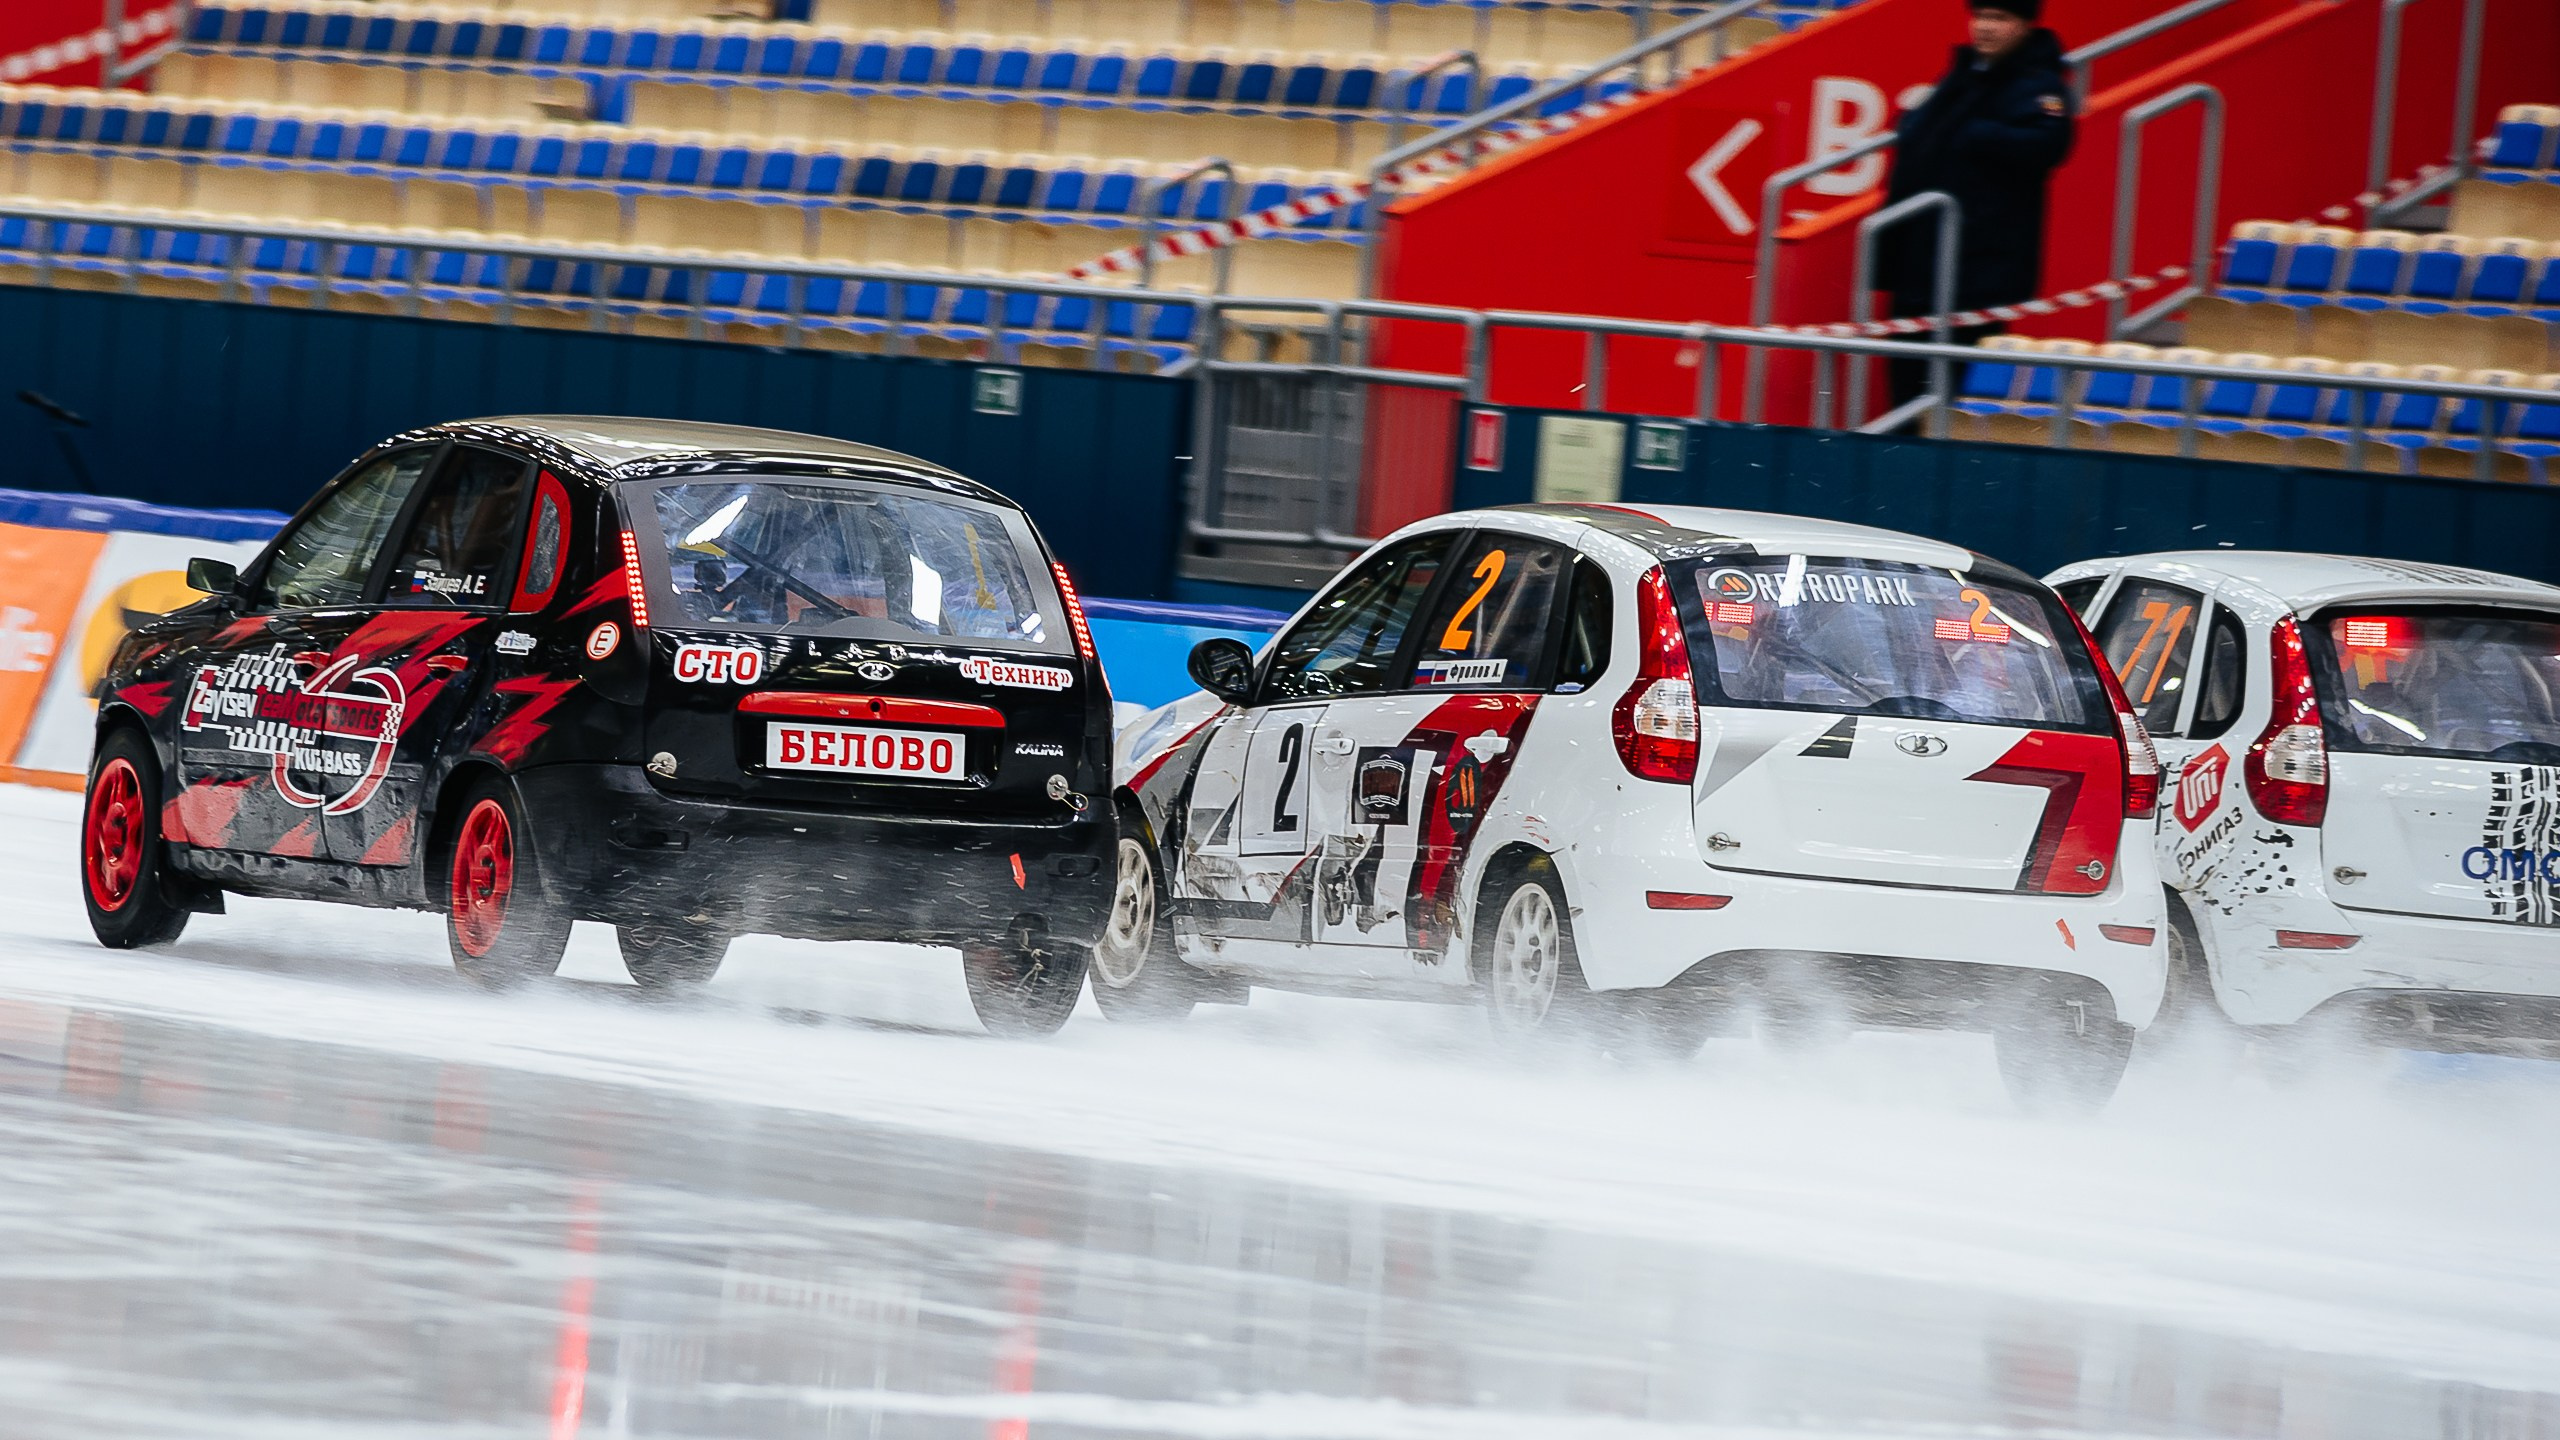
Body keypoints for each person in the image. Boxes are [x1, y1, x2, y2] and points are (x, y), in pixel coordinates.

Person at [1876, 0, 2077, 416]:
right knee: (1907, 386)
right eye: (1980, 16)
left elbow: (2049, 145)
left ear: (2024, 26)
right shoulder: (1962, 74)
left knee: (1954, 392)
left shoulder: (2040, 85)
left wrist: (1976, 136)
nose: (1984, 27)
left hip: (1980, 269)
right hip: (1919, 262)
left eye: (1999, 18)